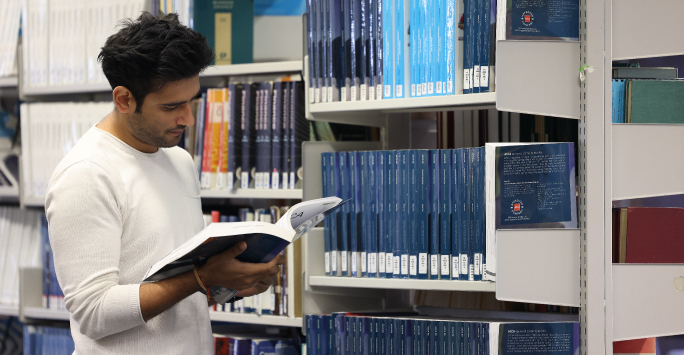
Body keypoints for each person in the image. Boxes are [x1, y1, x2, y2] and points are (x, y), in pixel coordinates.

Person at [45, 12, 285, 354]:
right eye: (172, 106)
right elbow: (93, 313)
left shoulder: (178, 160)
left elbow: (173, 285)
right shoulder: (86, 174)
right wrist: (202, 279)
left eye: (192, 102)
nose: (187, 119)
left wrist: (233, 283)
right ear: (124, 99)